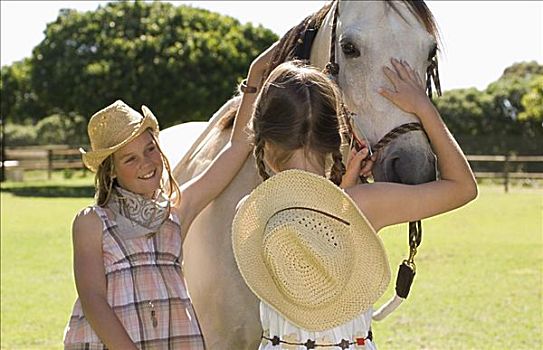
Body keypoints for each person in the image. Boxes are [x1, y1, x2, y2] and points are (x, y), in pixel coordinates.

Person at [232, 59, 477, 349]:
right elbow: (462, 187)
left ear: (265, 144)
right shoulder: (363, 205)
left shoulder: (251, 213)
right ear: (337, 138)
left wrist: (344, 192)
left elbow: (311, 232)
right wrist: (424, 108)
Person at [63, 45, 275, 350]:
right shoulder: (92, 222)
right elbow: (93, 299)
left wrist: (254, 76)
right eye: (130, 159)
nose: (146, 163)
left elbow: (237, 146)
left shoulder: (178, 210)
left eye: (150, 149)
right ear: (110, 171)